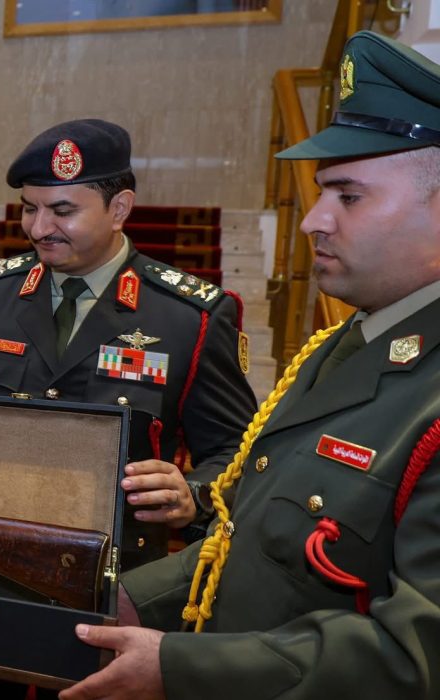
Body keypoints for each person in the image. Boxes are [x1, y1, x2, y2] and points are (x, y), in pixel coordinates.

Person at [60, 31, 440, 700]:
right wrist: (129, 601)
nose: (312, 221)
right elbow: (245, 546)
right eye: (320, 194)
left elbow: (415, 659)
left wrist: (181, 668)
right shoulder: (338, 349)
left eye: (349, 196)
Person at [0, 118, 257, 570]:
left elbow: (236, 452)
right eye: (29, 209)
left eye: (62, 211)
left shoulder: (190, 315)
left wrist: (195, 494)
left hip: (114, 571)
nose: (39, 228)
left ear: (119, 209)